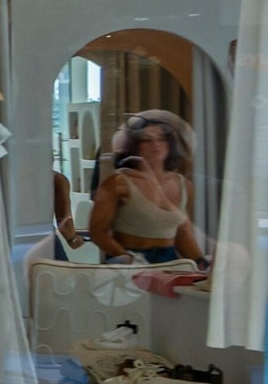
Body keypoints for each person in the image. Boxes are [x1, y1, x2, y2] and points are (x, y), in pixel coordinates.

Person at [87, 109, 209, 267]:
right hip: (131, 261)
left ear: (169, 144)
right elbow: (98, 231)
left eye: (161, 139)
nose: (155, 145)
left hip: (169, 262)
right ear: (135, 146)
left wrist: (201, 262)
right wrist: (126, 258)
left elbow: (182, 233)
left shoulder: (184, 185)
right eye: (147, 140)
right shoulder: (118, 183)